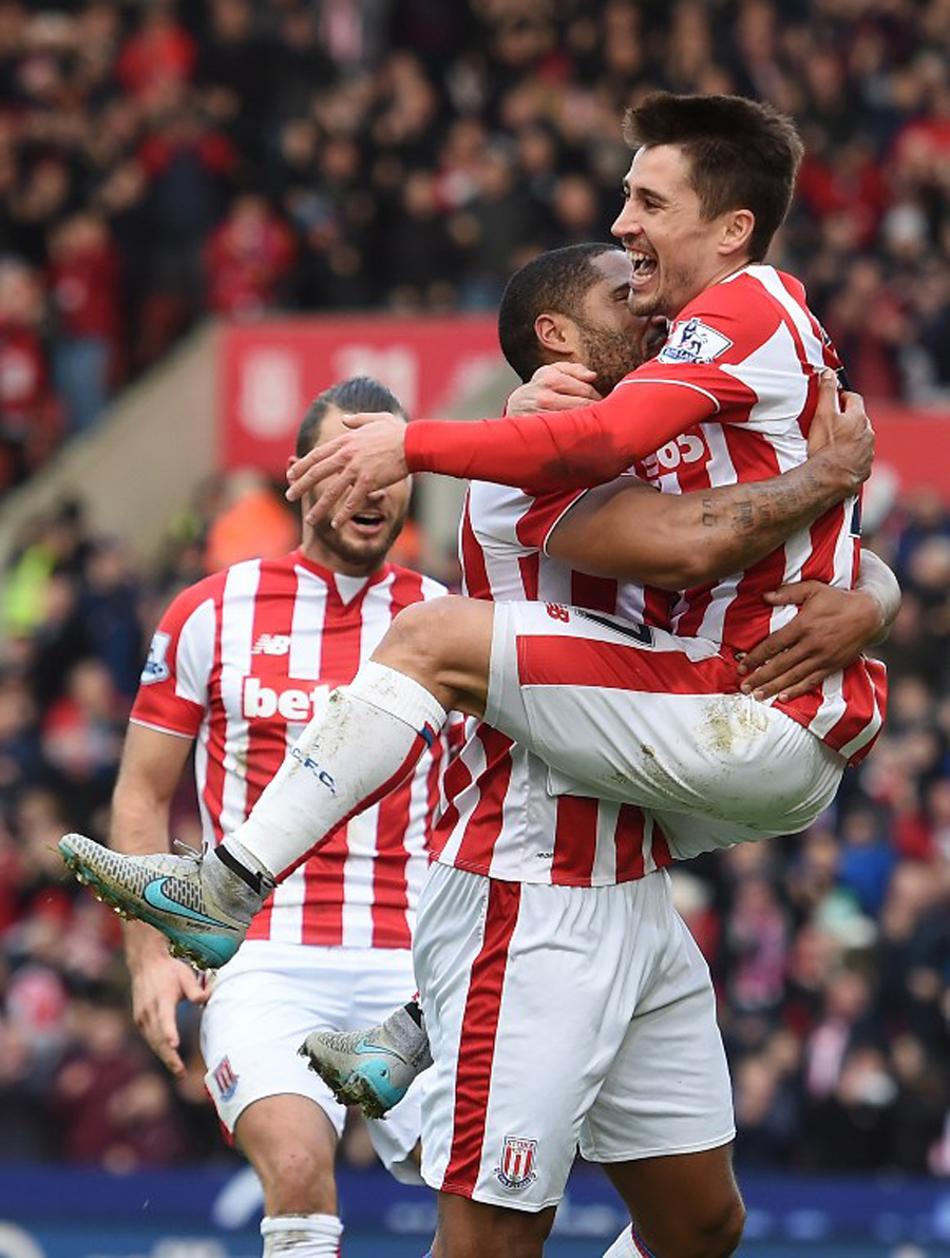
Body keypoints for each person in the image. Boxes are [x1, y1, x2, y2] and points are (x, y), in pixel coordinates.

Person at [61, 235, 896, 1258]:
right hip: (528, 875)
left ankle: (408, 1019)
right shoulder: (533, 464)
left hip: (620, 870)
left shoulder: (648, 438)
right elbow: (694, 545)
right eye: (617, 291)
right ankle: (228, 887)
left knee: (702, 1224)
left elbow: (766, 560)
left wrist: (870, 592)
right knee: (471, 1227)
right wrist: (829, 472)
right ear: (555, 337)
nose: (646, 303)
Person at [104, 376, 457, 1258]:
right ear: (298, 474)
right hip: (265, 958)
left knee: (485, 1202)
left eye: (392, 468)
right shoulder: (209, 611)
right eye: (347, 465)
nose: (373, 488)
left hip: (418, 967)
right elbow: (143, 791)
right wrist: (150, 956)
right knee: (299, 1166)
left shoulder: (448, 623)